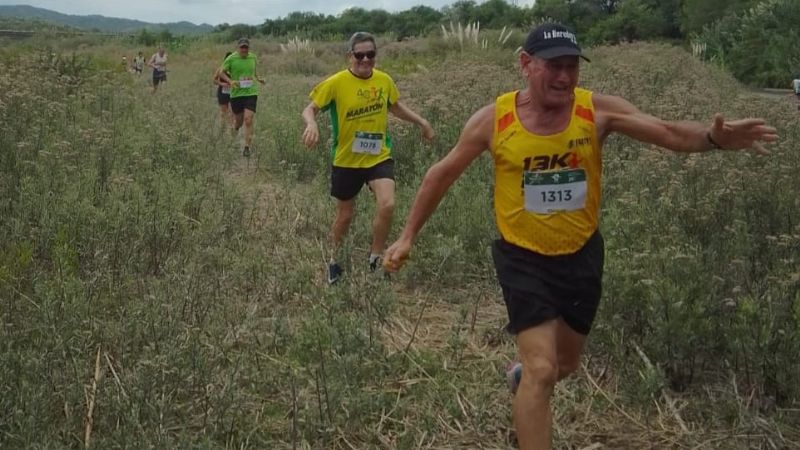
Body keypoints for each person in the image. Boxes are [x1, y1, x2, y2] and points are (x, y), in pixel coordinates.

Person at [382, 23, 777, 450]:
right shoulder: (495, 119)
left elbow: (665, 131)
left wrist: (713, 138)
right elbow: (440, 174)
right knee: (543, 370)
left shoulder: (596, 111)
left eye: (572, 67)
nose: (564, 77)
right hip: (521, 257)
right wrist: (407, 237)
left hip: (580, 254)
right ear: (526, 64)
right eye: (554, 66)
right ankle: (530, 387)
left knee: (565, 364)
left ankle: (520, 379)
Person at [301, 31, 435, 284]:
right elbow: (310, 108)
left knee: (387, 204)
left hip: (378, 156)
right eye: (359, 55)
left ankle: (375, 258)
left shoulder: (384, 80)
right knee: (345, 216)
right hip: (347, 160)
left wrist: (422, 122)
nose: (365, 60)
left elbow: (394, 106)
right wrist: (312, 124)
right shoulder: (336, 82)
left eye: (370, 54)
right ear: (349, 56)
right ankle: (335, 260)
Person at [218, 38, 265, 157]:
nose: (244, 50)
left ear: (249, 48)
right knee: (238, 122)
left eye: (246, 47)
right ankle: (234, 131)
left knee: (248, 119)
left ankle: (247, 147)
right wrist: (230, 81)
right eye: (242, 47)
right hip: (237, 94)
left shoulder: (253, 57)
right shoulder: (231, 58)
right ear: (238, 48)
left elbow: (253, 72)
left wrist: (258, 78)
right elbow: (221, 73)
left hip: (251, 92)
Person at [213, 51, 235, 130]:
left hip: (233, 92)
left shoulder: (236, 69)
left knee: (232, 112)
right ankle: (222, 128)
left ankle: (231, 128)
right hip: (222, 92)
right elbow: (214, 80)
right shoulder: (221, 69)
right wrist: (222, 84)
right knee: (223, 112)